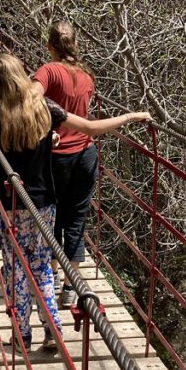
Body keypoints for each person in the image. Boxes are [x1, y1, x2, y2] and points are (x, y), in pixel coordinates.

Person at [0, 53, 150, 353]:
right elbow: (88, 127)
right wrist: (128, 117)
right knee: (43, 268)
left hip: (10, 206)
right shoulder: (43, 108)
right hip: (44, 204)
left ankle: (23, 337)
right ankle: (53, 332)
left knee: (17, 271)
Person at [33, 20, 105, 308]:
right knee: (75, 221)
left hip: (56, 157)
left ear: (50, 45)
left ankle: (50, 277)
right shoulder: (87, 75)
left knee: (52, 219)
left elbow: (31, 98)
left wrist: (45, 127)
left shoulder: (48, 71)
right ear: (76, 44)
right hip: (86, 156)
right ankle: (69, 287)